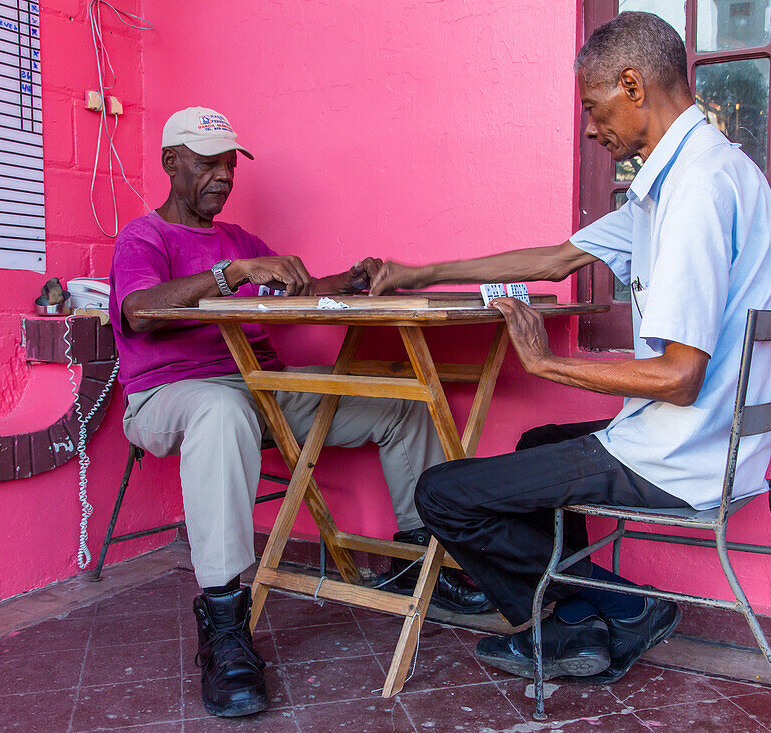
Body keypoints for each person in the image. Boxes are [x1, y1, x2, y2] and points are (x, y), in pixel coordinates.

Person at [369, 11, 771, 686]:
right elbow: (558, 258)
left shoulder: (698, 191)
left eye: (594, 109)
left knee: (442, 493)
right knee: (539, 443)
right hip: (710, 440)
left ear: (632, 85)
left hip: (685, 455)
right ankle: (585, 621)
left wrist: (544, 361)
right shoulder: (684, 178)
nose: (591, 128)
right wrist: (419, 273)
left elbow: (681, 377)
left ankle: (621, 604)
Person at [108, 106, 489, 718]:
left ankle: (425, 562)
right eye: (208, 164)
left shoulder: (240, 242)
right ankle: (225, 623)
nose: (224, 177)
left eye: (230, 166)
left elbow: (299, 291)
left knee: (400, 400)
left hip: (259, 387)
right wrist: (229, 274)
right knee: (219, 413)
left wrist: (353, 279)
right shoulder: (144, 238)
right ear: (170, 163)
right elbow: (139, 311)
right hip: (168, 397)